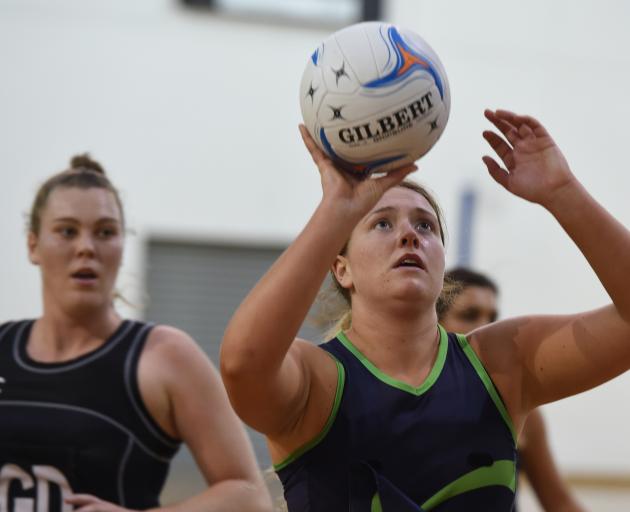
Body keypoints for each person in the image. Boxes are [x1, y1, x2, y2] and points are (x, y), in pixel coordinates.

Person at [220, 109, 630, 511]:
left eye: (425, 225)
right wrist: (335, 210)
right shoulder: (318, 380)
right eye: (382, 223)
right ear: (341, 268)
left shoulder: (501, 363)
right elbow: (242, 363)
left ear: (442, 265)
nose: (409, 236)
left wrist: (563, 191)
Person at [0, 156, 272, 512]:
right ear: (33, 245)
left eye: (105, 232)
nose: (86, 247)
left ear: (121, 245)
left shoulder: (164, 355)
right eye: (67, 231)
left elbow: (250, 496)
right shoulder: (4, 347)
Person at [439, 267, 586, 512]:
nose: (484, 328)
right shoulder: (395, 398)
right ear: (435, 322)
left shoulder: (518, 406)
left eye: (492, 318)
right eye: (470, 315)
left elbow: (559, 503)